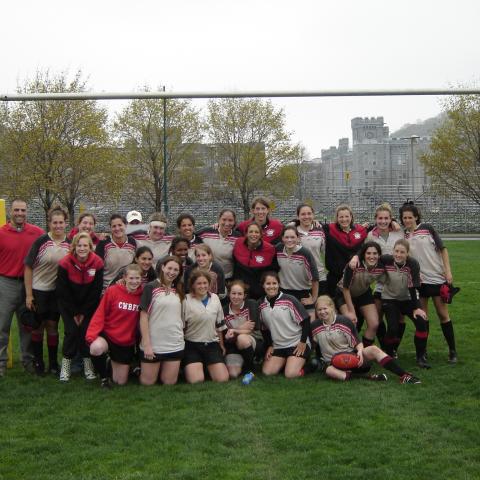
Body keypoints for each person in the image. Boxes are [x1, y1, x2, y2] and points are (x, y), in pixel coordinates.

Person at [311, 295, 421, 384]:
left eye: (325, 308)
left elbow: (358, 342)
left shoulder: (344, 321)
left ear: (332, 308)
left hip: (353, 359)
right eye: (319, 310)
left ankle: (404, 375)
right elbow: (312, 345)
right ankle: (368, 378)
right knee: (329, 371)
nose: (322, 312)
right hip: (335, 364)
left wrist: (359, 351)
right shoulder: (314, 326)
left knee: (373, 349)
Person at [400, 202, 458, 363]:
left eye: (410, 217)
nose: (407, 220)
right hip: (420, 282)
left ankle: (452, 351)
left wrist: (448, 271)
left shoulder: (427, 228)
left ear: (416, 217)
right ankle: (422, 352)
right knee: (423, 317)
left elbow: (443, 249)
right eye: (404, 218)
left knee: (443, 314)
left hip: (437, 279)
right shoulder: (404, 236)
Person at [24, 206, 70, 375]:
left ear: (66, 223)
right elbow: (28, 267)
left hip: (56, 293)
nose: (58, 225)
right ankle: (38, 363)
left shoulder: (70, 243)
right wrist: (29, 295)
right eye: (54, 222)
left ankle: (53, 364)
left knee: (52, 326)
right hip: (38, 289)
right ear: (49, 223)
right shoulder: (41, 242)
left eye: (61, 222)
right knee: (38, 327)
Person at [0, 198, 44, 376]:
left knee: (27, 325)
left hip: (29, 285)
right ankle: (0, 364)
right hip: (6, 283)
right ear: (11, 211)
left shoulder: (37, 233)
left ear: (27, 212)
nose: (20, 214)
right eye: (17, 210)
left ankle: (28, 361)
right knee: (2, 326)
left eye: (23, 210)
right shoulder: (1, 233)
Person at [56, 232, 104, 382]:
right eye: (79, 245)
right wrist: (74, 313)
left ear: (90, 247)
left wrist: (83, 312)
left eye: (85, 245)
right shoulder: (65, 263)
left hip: (88, 305)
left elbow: (96, 290)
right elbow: (63, 291)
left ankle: (88, 366)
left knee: (86, 333)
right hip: (68, 304)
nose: (82, 248)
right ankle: (65, 367)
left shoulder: (97, 263)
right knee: (70, 333)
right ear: (74, 246)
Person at [86, 264, 143, 388]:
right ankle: (104, 378)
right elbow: (100, 313)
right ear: (124, 278)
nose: (134, 281)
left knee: (120, 382)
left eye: (137, 278)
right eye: (131, 278)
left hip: (125, 342)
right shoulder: (113, 290)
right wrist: (92, 335)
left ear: (141, 279)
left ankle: (109, 361)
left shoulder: (143, 295)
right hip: (108, 336)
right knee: (96, 348)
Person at [381, 239, 429, 368]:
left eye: (402, 252)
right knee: (392, 328)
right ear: (392, 251)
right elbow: (369, 258)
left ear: (407, 253)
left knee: (421, 322)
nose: (398, 254)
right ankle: (389, 354)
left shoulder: (412, 264)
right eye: (396, 251)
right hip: (389, 298)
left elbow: (413, 287)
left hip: (408, 298)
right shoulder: (386, 260)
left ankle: (421, 357)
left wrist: (416, 308)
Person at [138, 256, 185, 386]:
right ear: (163, 267)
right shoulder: (151, 287)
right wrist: (147, 345)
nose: (172, 272)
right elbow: (143, 317)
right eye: (169, 268)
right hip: (154, 344)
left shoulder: (179, 289)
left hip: (174, 342)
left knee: (169, 382)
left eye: (176, 269)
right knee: (148, 383)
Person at [259, 271, 311, 378]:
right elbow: (264, 328)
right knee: (267, 372)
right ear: (263, 286)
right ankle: (289, 362)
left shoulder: (289, 300)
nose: (271, 286)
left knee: (290, 374)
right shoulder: (261, 305)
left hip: (296, 343)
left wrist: (302, 342)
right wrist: (270, 345)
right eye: (268, 284)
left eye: (274, 283)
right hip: (278, 346)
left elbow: (306, 321)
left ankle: (311, 366)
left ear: (279, 285)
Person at [183, 270, 229, 384]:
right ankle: (194, 366)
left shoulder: (215, 298)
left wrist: (221, 345)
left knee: (222, 379)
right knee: (196, 380)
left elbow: (219, 325)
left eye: (205, 283)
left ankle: (206, 366)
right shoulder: (185, 300)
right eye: (199, 283)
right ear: (192, 285)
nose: (202, 286)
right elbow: (182, 327)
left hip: (211, 344)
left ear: (209, 284)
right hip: (191, 344)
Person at [336, 241, 386, 347]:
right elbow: (345, 288)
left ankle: (366, 353)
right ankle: (347, 350)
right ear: (363, 255)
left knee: (374, 324)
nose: (371, 256)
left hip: (363, 293)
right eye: (368, 253)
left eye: (375, 253)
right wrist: (351, 311)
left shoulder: (381, 266)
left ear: (379, 255)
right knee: (351, 321)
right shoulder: (354, 265)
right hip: (344, 293)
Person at [323, 204, 368, 297]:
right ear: (337, 218)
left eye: (347, 216)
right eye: (341, 217)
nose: (344, 219)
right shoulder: (329, 230)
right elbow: (309, 223)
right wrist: (295, 222)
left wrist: (393, 221)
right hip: (335, 278)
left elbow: (381, 224)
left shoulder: (360, 231)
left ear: (351, 217)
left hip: (355, 277)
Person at [276, 225, 319, 319]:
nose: (289, 240)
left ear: (298, 238)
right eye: (286, 237)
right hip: (284, 292)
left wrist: (314, 298)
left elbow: (315, 277)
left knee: (309, 323)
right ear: (282, 238)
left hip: (303, 293)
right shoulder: (278, 250)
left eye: (292, 237)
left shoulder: (305, 253)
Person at [223, 280, 260, 378]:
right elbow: (227, 337)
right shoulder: (224, 311)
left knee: (242, 338)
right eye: (233, 293)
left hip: (251, 340)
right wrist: (239, 329)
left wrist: (234, 330)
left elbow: (250, 329)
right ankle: (244, 361)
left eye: (240, 294)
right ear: (229, 294)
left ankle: (250, 369)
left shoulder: (251, 304)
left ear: (244, 295)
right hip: (233, 345)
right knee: (233, 374)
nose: (236, 297)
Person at [232, 222, 278, 300]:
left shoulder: (270, 249)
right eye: (251, 232)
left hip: (259, 293)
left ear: (261, 234)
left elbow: (273, 270)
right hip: (241, 291)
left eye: (256, 232)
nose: (253, 234)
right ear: (246, 234)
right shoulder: (238, 243)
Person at [197, 208, 242, 280]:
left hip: (227, 277)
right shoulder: (206, 233)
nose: (227, 223)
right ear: (219, 220)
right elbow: (191, 238)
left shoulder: (238, 237)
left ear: (234, 222)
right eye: (224, 220)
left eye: (230, 220)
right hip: (206, 276)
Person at [96, 214, 137, 291]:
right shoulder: (103, 244)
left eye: (120, 225)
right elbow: (97, 270)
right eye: (114, 226)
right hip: (106, 289)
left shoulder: (133, 243)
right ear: (110, 228)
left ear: (126, 225)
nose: (117, 228)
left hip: (127, 288)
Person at [294, 203, 327, 295]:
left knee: (321, 307)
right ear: (298, 216)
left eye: (309, 213)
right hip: (299, 277)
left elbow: (325, 252)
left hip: (319, 275)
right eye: (303, 214)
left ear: (313, 215)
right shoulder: (293, 231)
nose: (306, 216)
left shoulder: (320, 231)